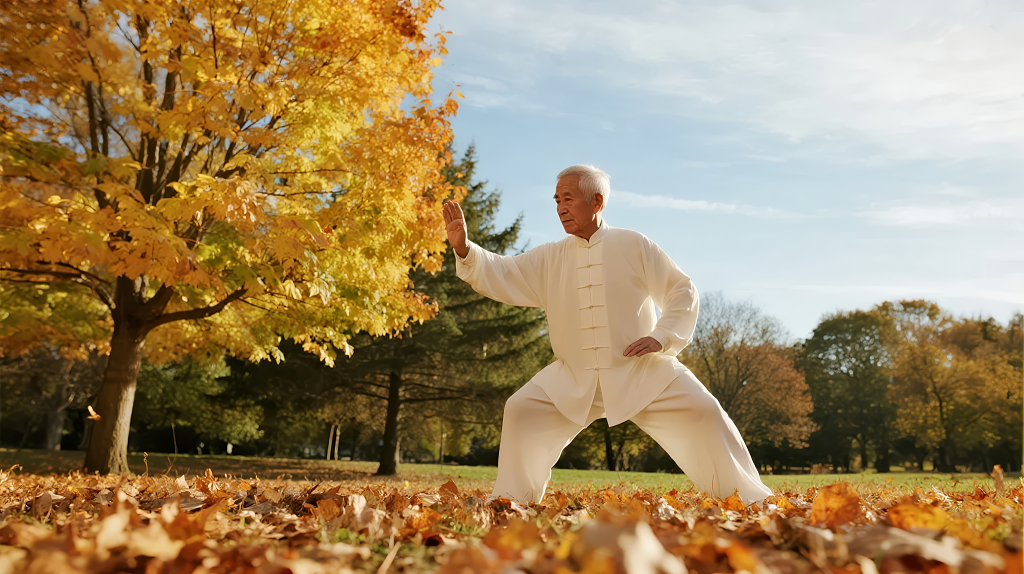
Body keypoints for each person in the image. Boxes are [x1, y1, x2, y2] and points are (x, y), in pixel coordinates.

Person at [442, 164, 772, 505]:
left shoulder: (633, 244)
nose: (560, 208)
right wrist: (466, 249)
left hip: (639, 370)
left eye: (568, 199)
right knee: (522, 409)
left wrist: (661, 336)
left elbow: (681, 290)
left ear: (597, 201)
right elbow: (504, 271)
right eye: (556, 200)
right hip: (573, 375)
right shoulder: (550, 257)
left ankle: (749, 499)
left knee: (704, 410)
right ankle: (512, 500)